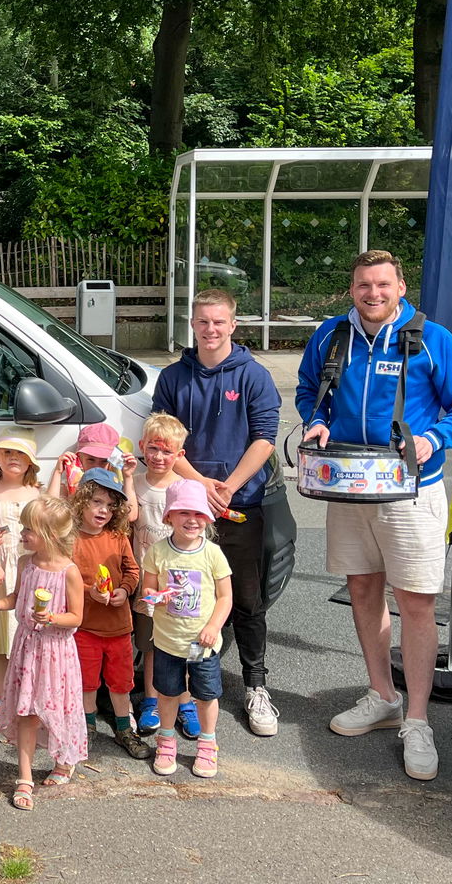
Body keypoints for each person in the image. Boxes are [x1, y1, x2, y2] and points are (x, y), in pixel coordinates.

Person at [297, 249, 452, 782]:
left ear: (401, 287)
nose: (373, 294)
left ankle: (419, 720)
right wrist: (316, 421)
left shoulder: (432, 339)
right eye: (363, 285)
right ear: (351, 289)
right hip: (349, 487)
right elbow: (311, 391)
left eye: (383, 284)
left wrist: (433, 438)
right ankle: (383, 697)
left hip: (411, 493)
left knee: (416, 604)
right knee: (362, 590)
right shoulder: (332, 334)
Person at [152, 288, 283, 737]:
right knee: (176, 596)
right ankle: (175, 694)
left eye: (219, 322)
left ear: (234, 324)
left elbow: (265, 437)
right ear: (192, 324)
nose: (210, 329)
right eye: (203, 321)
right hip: (188, 506)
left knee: (246, 600)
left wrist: (230, 486)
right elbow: (165, 440)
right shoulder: (173, 377)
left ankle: (256, 686)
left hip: (240, 505)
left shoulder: (254, 376)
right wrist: (200, 484)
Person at [0, 496, 86, 811]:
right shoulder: (26, 563)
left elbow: (77, 617)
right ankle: (24, 777)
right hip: (27, 648)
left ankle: (64, 760)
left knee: (57, 710)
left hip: (56, 651)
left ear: (52, 535)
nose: (22, 534)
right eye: (23, 526)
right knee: (27, 711)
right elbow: (17, 596)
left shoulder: (69, 572)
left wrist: (52, 617)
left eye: (30, 529)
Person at [143, 480, 233, 779]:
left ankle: (208, 743)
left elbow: (225, 597)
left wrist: (213, 626)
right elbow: (148, 588)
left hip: (201, 643)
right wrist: (155, 597)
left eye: (199, 513)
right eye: (183, 512)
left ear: (207, 518)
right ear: (169, 516)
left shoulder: (213, 554)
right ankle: (166, 740)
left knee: (206, 695)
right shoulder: (158, 552)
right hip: (168, 641)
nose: (192, 519)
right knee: (168, 693)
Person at [70, 468, 148, 759]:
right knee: (87, 682)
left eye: (110, 505)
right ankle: (87, 727)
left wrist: (125, 591)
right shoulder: (71, 539)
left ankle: (124, 729)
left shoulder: (117, 536)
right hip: (85, 627)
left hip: (118, 627)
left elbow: (132, 570)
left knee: (120, 682)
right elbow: (67, 577)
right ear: (82, 502)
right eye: (97, 502)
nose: (104, 510)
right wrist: (90, 590)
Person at [0, 432, 42, 729]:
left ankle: (26, 696)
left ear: (31, 464)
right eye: (7, 453)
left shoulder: (35, 494)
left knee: (27, 636)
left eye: (21, 455)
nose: (14, 459)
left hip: (29, 569)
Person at [131, 414, 188, 737]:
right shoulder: (137, 483)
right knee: (152, 644)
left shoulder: (184, 488)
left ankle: (185, 701)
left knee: (181, 643)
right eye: (153, 449)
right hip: (145, 582)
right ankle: (151, 701)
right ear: (143, 447)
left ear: (179, 456)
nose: (158, 457)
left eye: (167, 452)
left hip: (178, 584)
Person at [48, 422, 138, 522]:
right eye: (91, 460)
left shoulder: (114, 484)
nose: (96, 466)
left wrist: (128, 477)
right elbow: (49, 512)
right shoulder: (71, 484)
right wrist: (57, 473)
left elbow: (131, 516)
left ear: (111, 461)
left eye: (104, 461)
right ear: (79, 457)